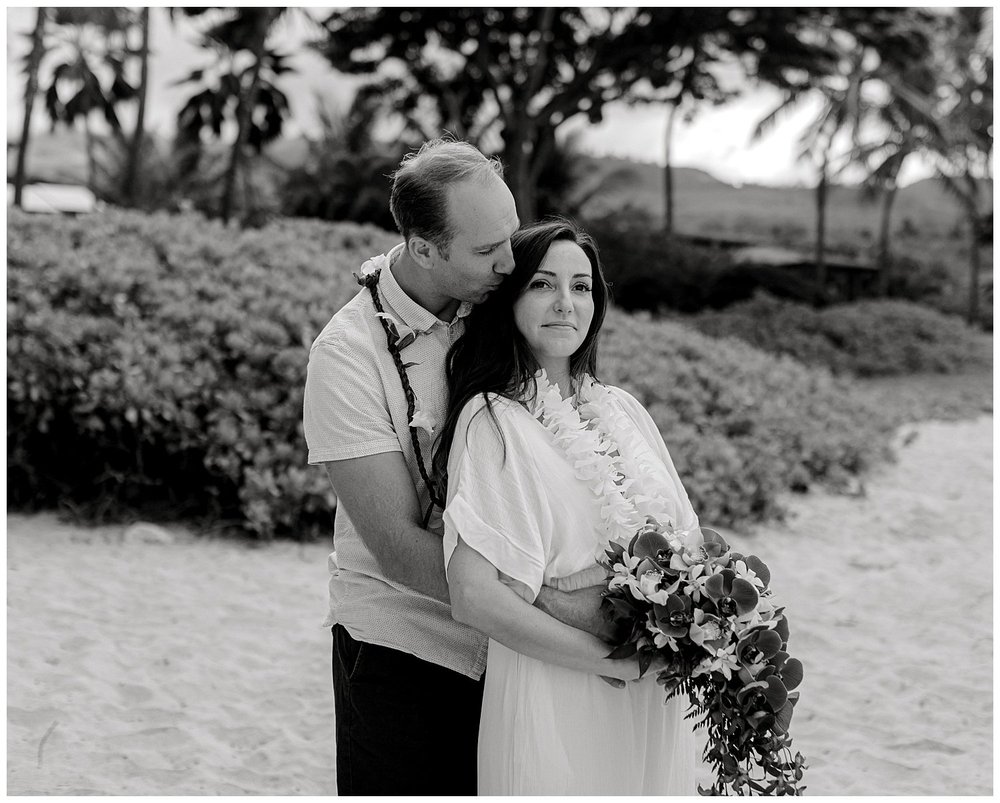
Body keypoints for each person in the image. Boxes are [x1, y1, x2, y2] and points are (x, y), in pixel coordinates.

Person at [302, 140, 617, 795]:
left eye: (509, 234)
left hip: (519, 653)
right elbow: (396, 547)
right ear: (423, 249)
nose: (509, 261)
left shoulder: (501, 299)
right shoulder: (348, 355)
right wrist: (563, 606)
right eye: (485, 250)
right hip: (405, 643)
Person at [432, 218, 699, 795]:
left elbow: (691, 549)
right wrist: (608, 661)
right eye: (543, 284)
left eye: (582, 287)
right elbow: (474, 594)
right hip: (559, 683)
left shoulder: (624, 410)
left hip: (651, 694)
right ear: (510, 297)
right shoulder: (493, 420)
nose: (565, 303)